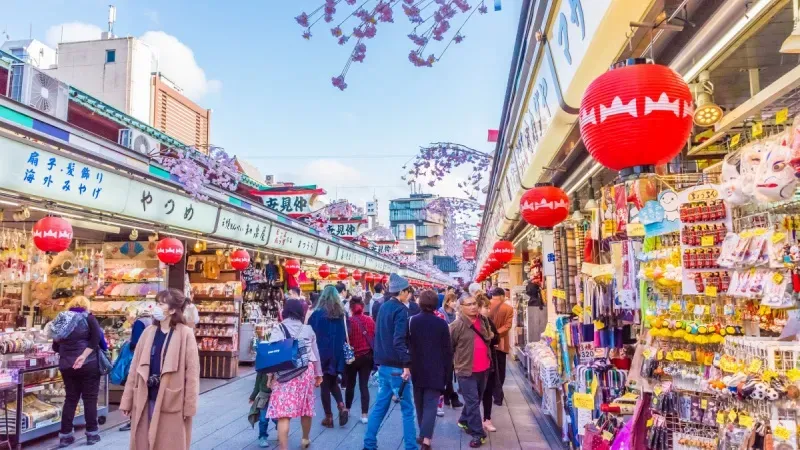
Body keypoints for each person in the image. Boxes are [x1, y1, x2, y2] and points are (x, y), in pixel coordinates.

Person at [120, 289, 200, 450]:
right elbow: (134, 369)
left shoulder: (185, 334)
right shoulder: (148, 332)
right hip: (145, 395)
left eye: (160, 304)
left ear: (172, 310)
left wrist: (189, 406)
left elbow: (192, 373)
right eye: (157, 303)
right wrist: (127, 401)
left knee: (168, 442)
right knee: (143, 441)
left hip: (171, 399)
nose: (156, 307)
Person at [363, 274, 416, 450]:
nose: (409, 295)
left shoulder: (383, 307)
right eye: (408, 291)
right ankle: (411, 447)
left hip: (383, 365)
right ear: (401, 291)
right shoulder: (401, 310)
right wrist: (406, 365)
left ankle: (369, 444)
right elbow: (399, 340)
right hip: (396, 367)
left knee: (380, 407)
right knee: (407, 410)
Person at [265, 299, 323, 450]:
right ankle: (305, 438)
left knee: (284, 414)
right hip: (305, 372)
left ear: (285, 311)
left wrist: (270, 376)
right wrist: (319, 374)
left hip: (284, 374)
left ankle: (283, 448)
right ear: (301, 312)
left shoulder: (279, 328)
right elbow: (315, 354)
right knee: (306, 408)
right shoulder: (308, 329)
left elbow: (272, 355)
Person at [48, 296, 104, 447]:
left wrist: (68, 352)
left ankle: (65, 436)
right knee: (90, 398)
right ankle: (92, 434)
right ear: (86, 306)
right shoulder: (89, 318)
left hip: (67, 365)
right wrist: (83, 356)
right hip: (88, 364)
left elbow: (55, 346)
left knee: (71, 398)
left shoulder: (62, 320)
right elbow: (96, 340)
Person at [409, 290, 453, 450]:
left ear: (420, 302)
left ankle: (423, 434)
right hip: (436, 369)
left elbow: (407, 344)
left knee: (419, 403)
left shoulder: (412, 321)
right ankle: (426, 439)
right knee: (431, 404)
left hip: (417, 368)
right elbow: (448, 351)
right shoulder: (441, 324)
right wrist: (448, 374)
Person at [450, 295, 494, 448]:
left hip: (484, 367)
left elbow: (489, 336)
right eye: (468, 304)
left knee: (475, 400)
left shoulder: (483, 320)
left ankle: (463, 420)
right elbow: (449, 347)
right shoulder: (456, 326)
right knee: (474, 402)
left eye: (474, 303)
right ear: (461, 307)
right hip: (466, 370)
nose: (473, 307)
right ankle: (478, 433)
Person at [307, 285, 349, 427]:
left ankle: (328, 417)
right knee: (332, 381)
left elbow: (309, 332)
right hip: (337, 353)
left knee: (325, 384)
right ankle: (341, 406)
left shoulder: (317, 314)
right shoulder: (342, 314)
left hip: (321, 353)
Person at [119, 303, 156, 432]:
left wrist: (127, 345)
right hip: (150, 360)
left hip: (138, 359)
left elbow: (135, 343)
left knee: (135, 386)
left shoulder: (139, 323)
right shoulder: (151, 321)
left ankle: (133, 419)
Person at [344, 296, 375, 424]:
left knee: (350, 385)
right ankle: (364, 414)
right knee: (364, 386)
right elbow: (374, 337)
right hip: (367, 357)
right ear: (363, 307)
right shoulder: (370, 320)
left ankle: (348, 408)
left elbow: (345, 340)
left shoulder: (348, 322)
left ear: (351, 307)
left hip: (352, 358)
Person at [488, 287, 513, 406]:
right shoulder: (508, 308)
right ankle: (498, 394)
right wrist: (497, 333)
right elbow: (508, 326)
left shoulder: (486, 305)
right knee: (501, 369)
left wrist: (490, 334)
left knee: (490, 368)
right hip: (501, 343)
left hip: (487, 342)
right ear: (502, 296)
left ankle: (493, 390)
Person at [479, 295, 501, 433]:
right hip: (473, 363)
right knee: (475, 394)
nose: (488, 310)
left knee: (487, 391)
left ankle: (487, 419)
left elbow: (497, 337)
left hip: (489, 361)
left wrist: (492, 337)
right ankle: (469, 419)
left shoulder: (488, 322)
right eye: (486, 307)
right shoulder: (468, 323)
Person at [437, 292, 462, 409]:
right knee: (447, 373)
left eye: (455, 300)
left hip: (455, 347)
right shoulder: (441, 313)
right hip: (444, 347)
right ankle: (451, 396)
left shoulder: (456, 314)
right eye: (452, 301)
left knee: (451, 373)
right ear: (447, 302)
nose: (454, 303)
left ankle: (449, 395)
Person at [249, 368, 273, 447]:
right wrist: (253, 397)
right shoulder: (262, 369)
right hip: (264, 397)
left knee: (277, 419)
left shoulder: (280, 369)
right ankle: (262, 437)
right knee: (263, 419)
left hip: (277, 398)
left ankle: (281, 431)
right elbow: (257, 385)